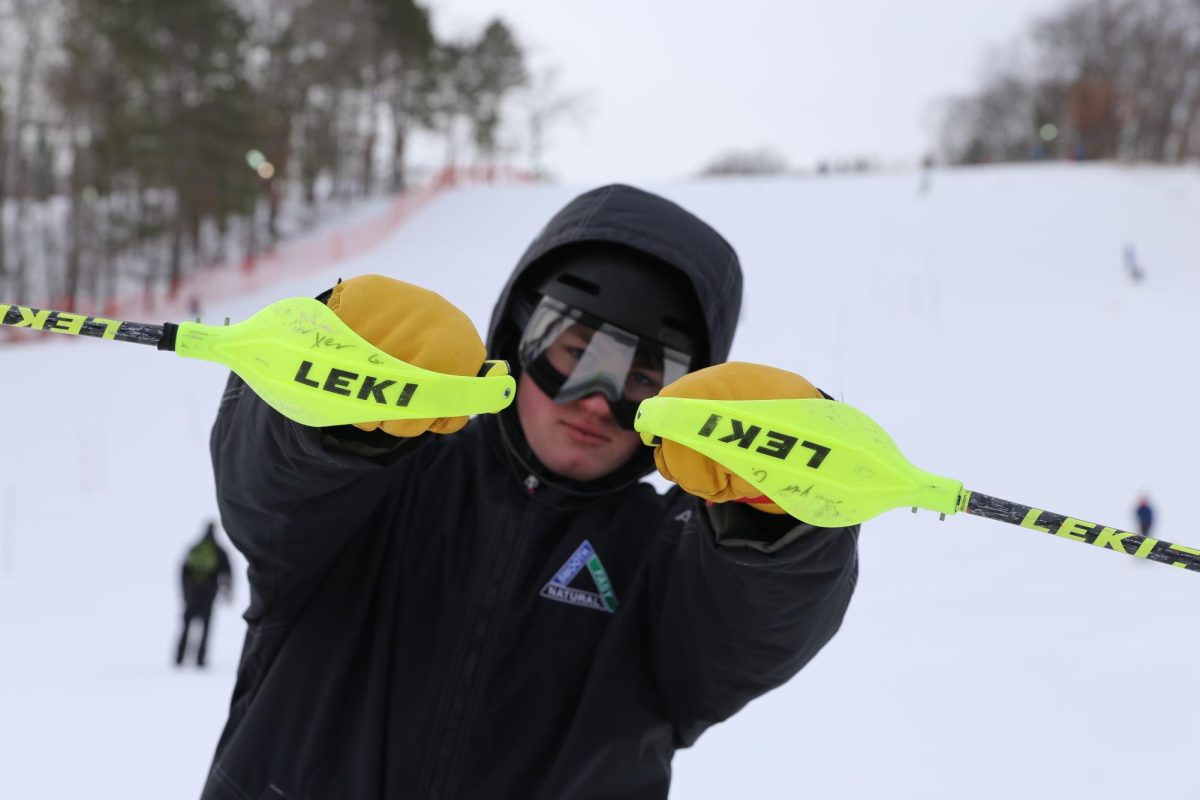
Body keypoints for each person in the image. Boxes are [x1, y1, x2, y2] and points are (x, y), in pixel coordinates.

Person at [202, 184, 859, 799]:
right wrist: (321, 401)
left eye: (643, 378)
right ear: (518, 340)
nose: (599, 403)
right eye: (574, 354)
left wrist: (782, 517)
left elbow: (759, 622)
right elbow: (272, 488)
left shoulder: (675, 559)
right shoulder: (381, 480)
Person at [175, 521, 232, 668]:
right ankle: (200, 660)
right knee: (206, 629)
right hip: (208, 594)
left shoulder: (195, 548)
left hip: (192, 594)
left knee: (186, 627)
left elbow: (183, 571)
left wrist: (185, 593)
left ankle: (179, 658)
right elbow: (227, 572)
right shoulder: (219, 550)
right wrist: (227, 592)